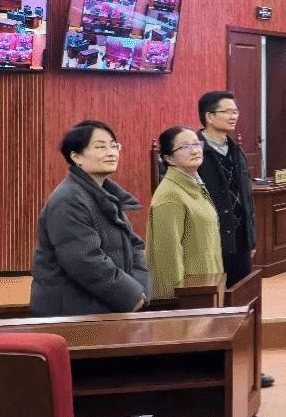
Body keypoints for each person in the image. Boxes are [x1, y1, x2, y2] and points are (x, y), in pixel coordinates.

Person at [31, 121, 150, 315]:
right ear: (76, 157)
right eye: (100, 147)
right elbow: (84, 259)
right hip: (73, 312)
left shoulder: (107, 196)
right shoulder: (68, 200)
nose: (111, 152)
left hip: (108, 306)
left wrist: (139, 291)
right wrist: (130, 295)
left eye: (114, 146)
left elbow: (135, 246)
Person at [196, 91, 274, 388]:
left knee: (242, 306)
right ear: (209, 117)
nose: (233, 116)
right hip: (209, 243)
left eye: (235, 111)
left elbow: (246, 199)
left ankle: (247, 369)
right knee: (214, 308)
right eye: (227, 111)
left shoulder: (235, 150)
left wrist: (251, 238)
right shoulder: (195, 151)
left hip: (239, 242)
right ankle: (216, 369)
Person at [147, 126, 224, 301]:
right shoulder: (169, 196)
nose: (195, 150)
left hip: (207, 284)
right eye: (185, 147)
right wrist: (177, 303)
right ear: (169, 158)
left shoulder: (194, 184)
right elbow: (168, 258)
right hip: (189, 295)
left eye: (197, 144)